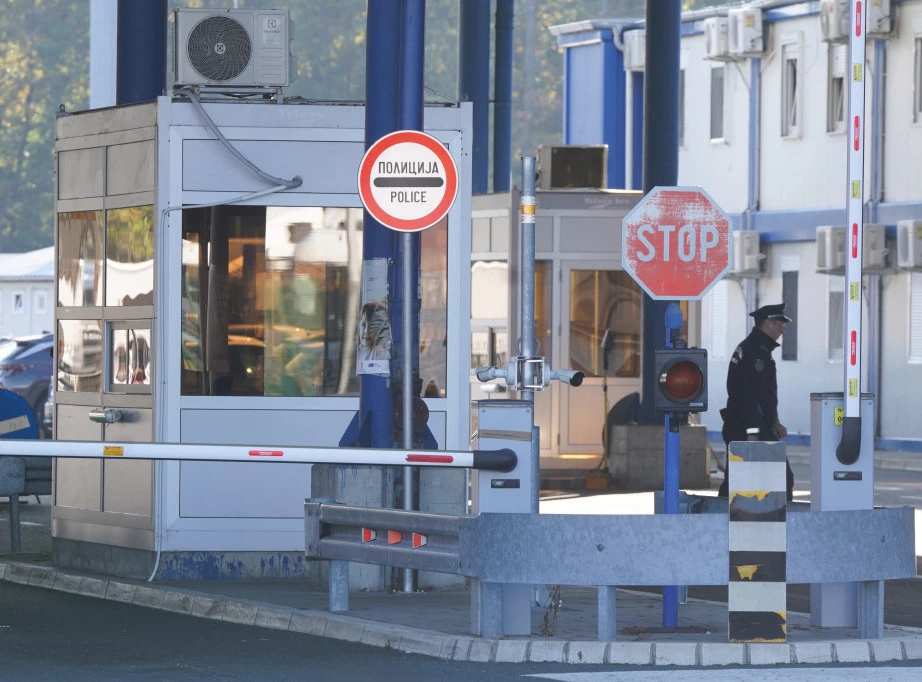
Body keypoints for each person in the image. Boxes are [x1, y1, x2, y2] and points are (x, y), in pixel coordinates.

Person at [718, 303, 795, 500]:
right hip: (748, 427)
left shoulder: (754, 348)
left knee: (738, 482)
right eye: (780, 325)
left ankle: (717, 520)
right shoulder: (756, 352)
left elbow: (764, 397)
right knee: (780, 479)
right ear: (767, 324)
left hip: (745, 425)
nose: (782, 331)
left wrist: (774, 422)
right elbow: (749, 395)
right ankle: (785, 527)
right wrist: (752, 433)